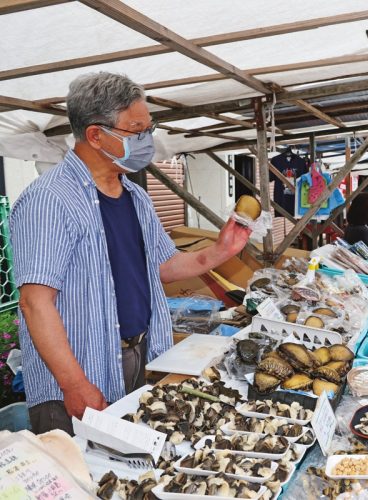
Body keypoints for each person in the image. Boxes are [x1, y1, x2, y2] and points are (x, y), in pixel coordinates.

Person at [10, 72, 253, 435]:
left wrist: (221, 250)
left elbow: (164, 266)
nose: (146, 140)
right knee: (84, 481)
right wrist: (73, 383)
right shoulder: (50, 199)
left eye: (148, 129)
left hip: (137, 353)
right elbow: (35, 303)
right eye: (136, 130)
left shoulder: (135, 196)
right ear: (95, 135)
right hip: (79, 372)